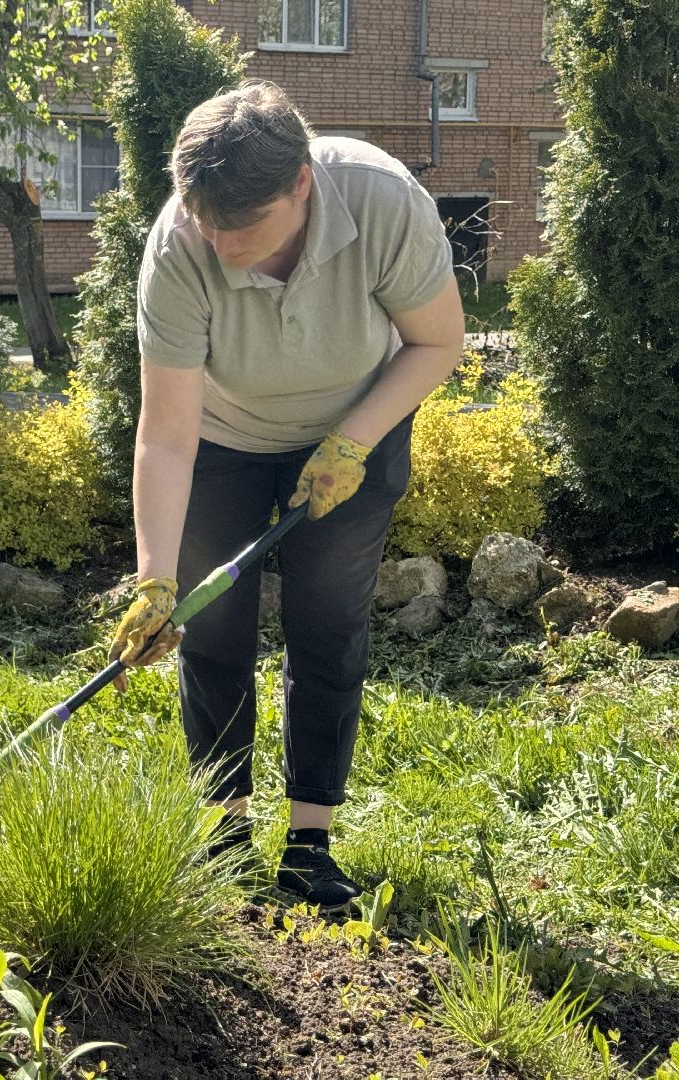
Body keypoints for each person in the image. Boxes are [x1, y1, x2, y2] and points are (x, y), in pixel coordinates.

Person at [108, 81, 464, 911]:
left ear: (300, 183)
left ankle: (310, 844)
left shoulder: (381, 202)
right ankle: (225, 832)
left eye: (245, 227)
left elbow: (437, 340)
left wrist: (352, 440)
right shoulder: (178, 246)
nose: (222, 245)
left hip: (353, 429)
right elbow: (166, 436)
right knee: (212, 629)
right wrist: (156, 578)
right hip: (223, 441)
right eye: (207, 223)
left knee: (328, 628)